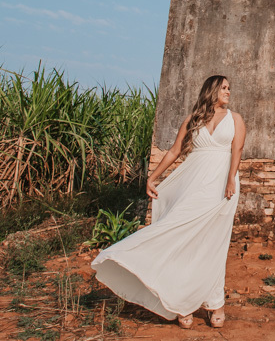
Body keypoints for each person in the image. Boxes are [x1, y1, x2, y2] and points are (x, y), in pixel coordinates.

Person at [92, 75, 246, 328]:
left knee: (213, 243)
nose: (229, 91)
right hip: (193, 185)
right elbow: (175, 151)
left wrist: (231, 180)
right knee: (179, 235)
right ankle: (178, 301)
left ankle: (215, 302)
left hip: (222, 188)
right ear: (212, 91)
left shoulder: (236, 120)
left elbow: (237, 151)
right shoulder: (193, 119)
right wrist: (152, 177)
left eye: (230, 87)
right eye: (224, 88)